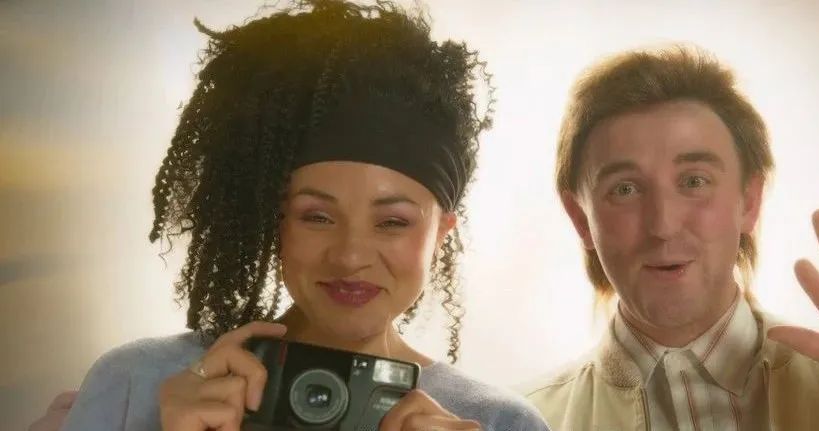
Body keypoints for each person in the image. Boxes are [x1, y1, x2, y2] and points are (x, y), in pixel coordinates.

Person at [55, 1, 550, 430]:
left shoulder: (498, 422)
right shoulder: (136, 383)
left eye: (393, 222)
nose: (350, 256)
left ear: (441, 232)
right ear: (273, 219)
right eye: (316, 216)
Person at [522, 46, 819, 430]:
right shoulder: (517, 423)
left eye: (694, 181)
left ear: (750, 200)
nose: (663, 225)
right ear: (581, 218)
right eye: (625, 189)